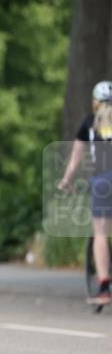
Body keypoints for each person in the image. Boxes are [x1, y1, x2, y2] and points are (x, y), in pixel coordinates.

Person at [59, 80, 112, 306]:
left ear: (95, 103)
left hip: (102, 182)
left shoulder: (90, 124)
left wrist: (66, 181)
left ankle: (104, 287)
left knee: (100, 232)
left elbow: (76, 159)